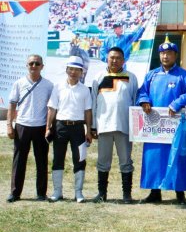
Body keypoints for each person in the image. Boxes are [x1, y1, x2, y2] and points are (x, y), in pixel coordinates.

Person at [136, 35, 186, 205]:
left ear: (175, 55)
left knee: (178, 155)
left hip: (176, 125)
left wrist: (177, 103)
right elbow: (142, 92)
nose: (166, 56)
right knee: (154, 157)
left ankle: (180, 193)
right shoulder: (151, 75)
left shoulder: (184, 76)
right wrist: (145, 101)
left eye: (169, 53)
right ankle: (154, 192)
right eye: (163, 53)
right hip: (155, 126)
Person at [91, 47, 138, 204]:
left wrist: (135, 127)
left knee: (126, 161)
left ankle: (126, 195)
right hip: (103, 125)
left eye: (118, 58)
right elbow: (93, 103)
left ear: (123, 60)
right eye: (112, 57)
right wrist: (92, 126)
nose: (115, 60)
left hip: (124, 126)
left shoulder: (131, 77)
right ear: (107, 58)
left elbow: (135, 101)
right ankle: (102, 193)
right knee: (103, 161)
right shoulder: (98, 77)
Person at [6, 55, 53, 202]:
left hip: (40, 127)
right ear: (27, 65)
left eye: (37, 63)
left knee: (41, 161)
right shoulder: (19, 83)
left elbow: (51, 108)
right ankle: (15, 193)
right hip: (22, 126)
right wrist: (9, 125)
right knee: (19, 160)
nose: (34, 66)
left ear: (42, 66)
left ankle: (41, 193)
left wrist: (49, 127)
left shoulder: (48, 85)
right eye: (31, 63)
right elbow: (12, 105)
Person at [46, 56, 93, 203]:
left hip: (78, 128)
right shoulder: (58, 86)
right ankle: (57, 191)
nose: (73, 72)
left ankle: (78, 193)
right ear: (66, 70)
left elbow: (88, 112)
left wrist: (88, 131)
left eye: (77, 70)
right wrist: (48, 127)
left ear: (81, 72)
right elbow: (52, 108)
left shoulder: (85, 90)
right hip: (60, 126)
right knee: (58, 158)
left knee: (80, 159)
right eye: (71, 69)